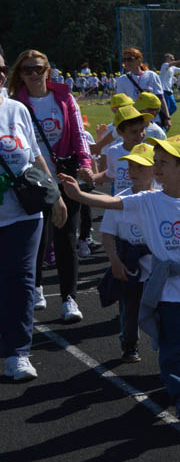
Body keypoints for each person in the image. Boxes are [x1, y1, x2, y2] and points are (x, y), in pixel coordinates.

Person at [59, 135, 180, 419]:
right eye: (156, 162)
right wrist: (79, 195)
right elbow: (114, 202)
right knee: (175, 337)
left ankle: (175, 379)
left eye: (163, 162)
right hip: (165, 288)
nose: (157, 167)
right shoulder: (148, 200)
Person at [9, 49, 92, 322]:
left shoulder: (64, 97)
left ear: (48, 70)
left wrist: (85, 164)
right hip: (29, 179)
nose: (34, 74)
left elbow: (79, 135)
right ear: (19, 74)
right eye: (27, 69)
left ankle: (69, 298)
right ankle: (37, 287)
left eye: (39, 68)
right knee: (36, 237)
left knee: (67, 236)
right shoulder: (15, 103)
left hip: (65, 175)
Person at [0, 50, 67, 381]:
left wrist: (55, 197)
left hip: (23, 213)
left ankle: (18, 354)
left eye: (1, 69)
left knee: (23, 281)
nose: (0, 75)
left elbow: (36, 154)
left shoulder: (16, 109)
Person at [99, 141, 155, 363]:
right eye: (132, 166)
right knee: (130, 308)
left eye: (141, 166)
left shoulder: (162, 198)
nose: (134, 171)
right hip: (129, 264)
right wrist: (114, 260)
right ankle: (130, 344)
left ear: (155, 169)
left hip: (156, 266)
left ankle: (168, 343)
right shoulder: (119, 200)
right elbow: (107, 233)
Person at [115, 48, 169, 129]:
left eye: (129, 59)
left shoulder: (151, 75)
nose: (126, 62)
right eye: (124, 60)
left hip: (153, 120)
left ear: (139, 60)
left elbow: (161, 98)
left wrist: (167, 117)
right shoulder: (122, 80)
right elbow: (120, 105)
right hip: (133, 121)